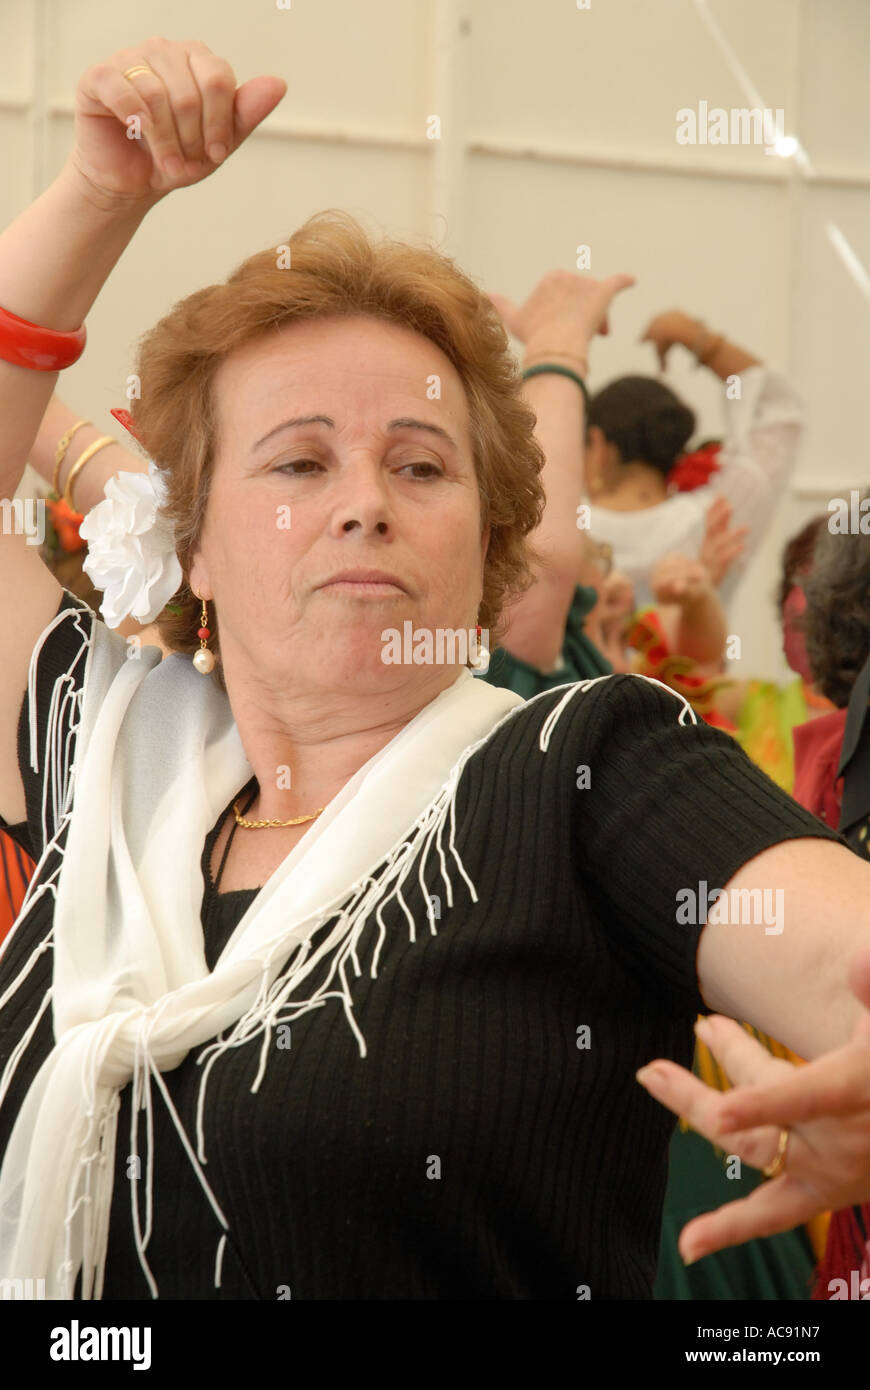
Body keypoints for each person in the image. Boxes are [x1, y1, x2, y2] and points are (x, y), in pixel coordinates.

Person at [3, 38, 870, 1303]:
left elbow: (838, 948)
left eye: (420, 465)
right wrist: (97, 192)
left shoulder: (585, 768)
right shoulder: (108, 752)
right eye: (300, 463)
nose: (365, 503)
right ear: (190, 540)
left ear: (491, 539)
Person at [583, 310, 803, 611]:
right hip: (698, 660)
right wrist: (696, 337)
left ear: (598, 445)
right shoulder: (717, 518)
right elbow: (779, 413)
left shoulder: (555, 529)